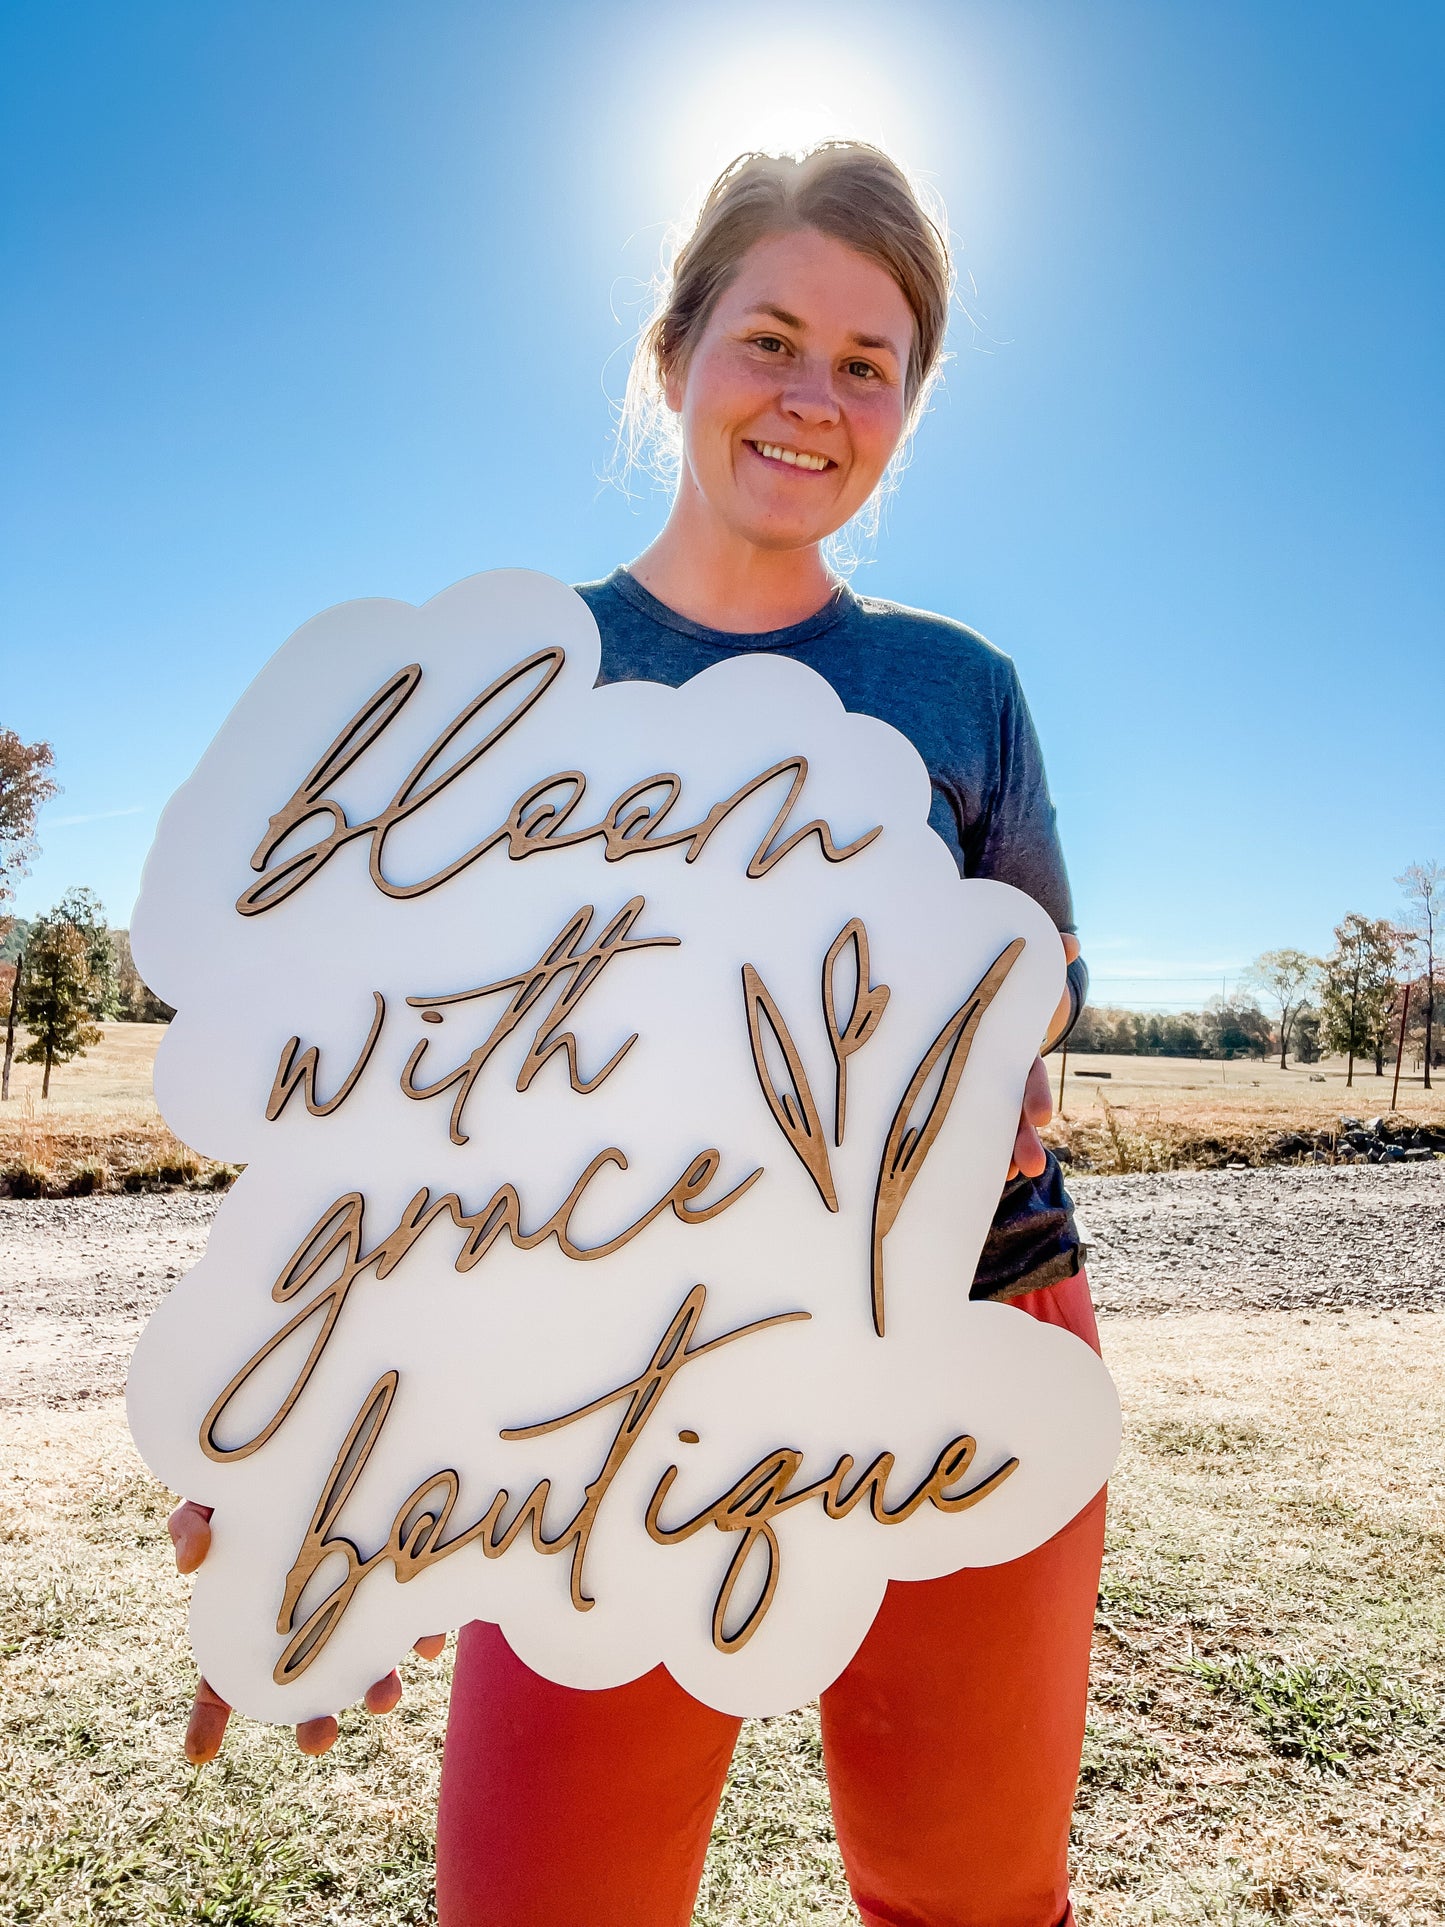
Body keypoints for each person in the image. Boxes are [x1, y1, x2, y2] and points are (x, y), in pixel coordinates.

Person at [169, 142, 1104, 1927]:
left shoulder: (960, 688)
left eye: (866, 362)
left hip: (974, 1334)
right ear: (672, 348)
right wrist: (293, 1444)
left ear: (907, 405)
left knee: (969, 1902)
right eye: (769, 336)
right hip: (602, 1390)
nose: (810, 397)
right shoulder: (508, 689)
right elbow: (389, 1102)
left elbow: (1026, 1024)